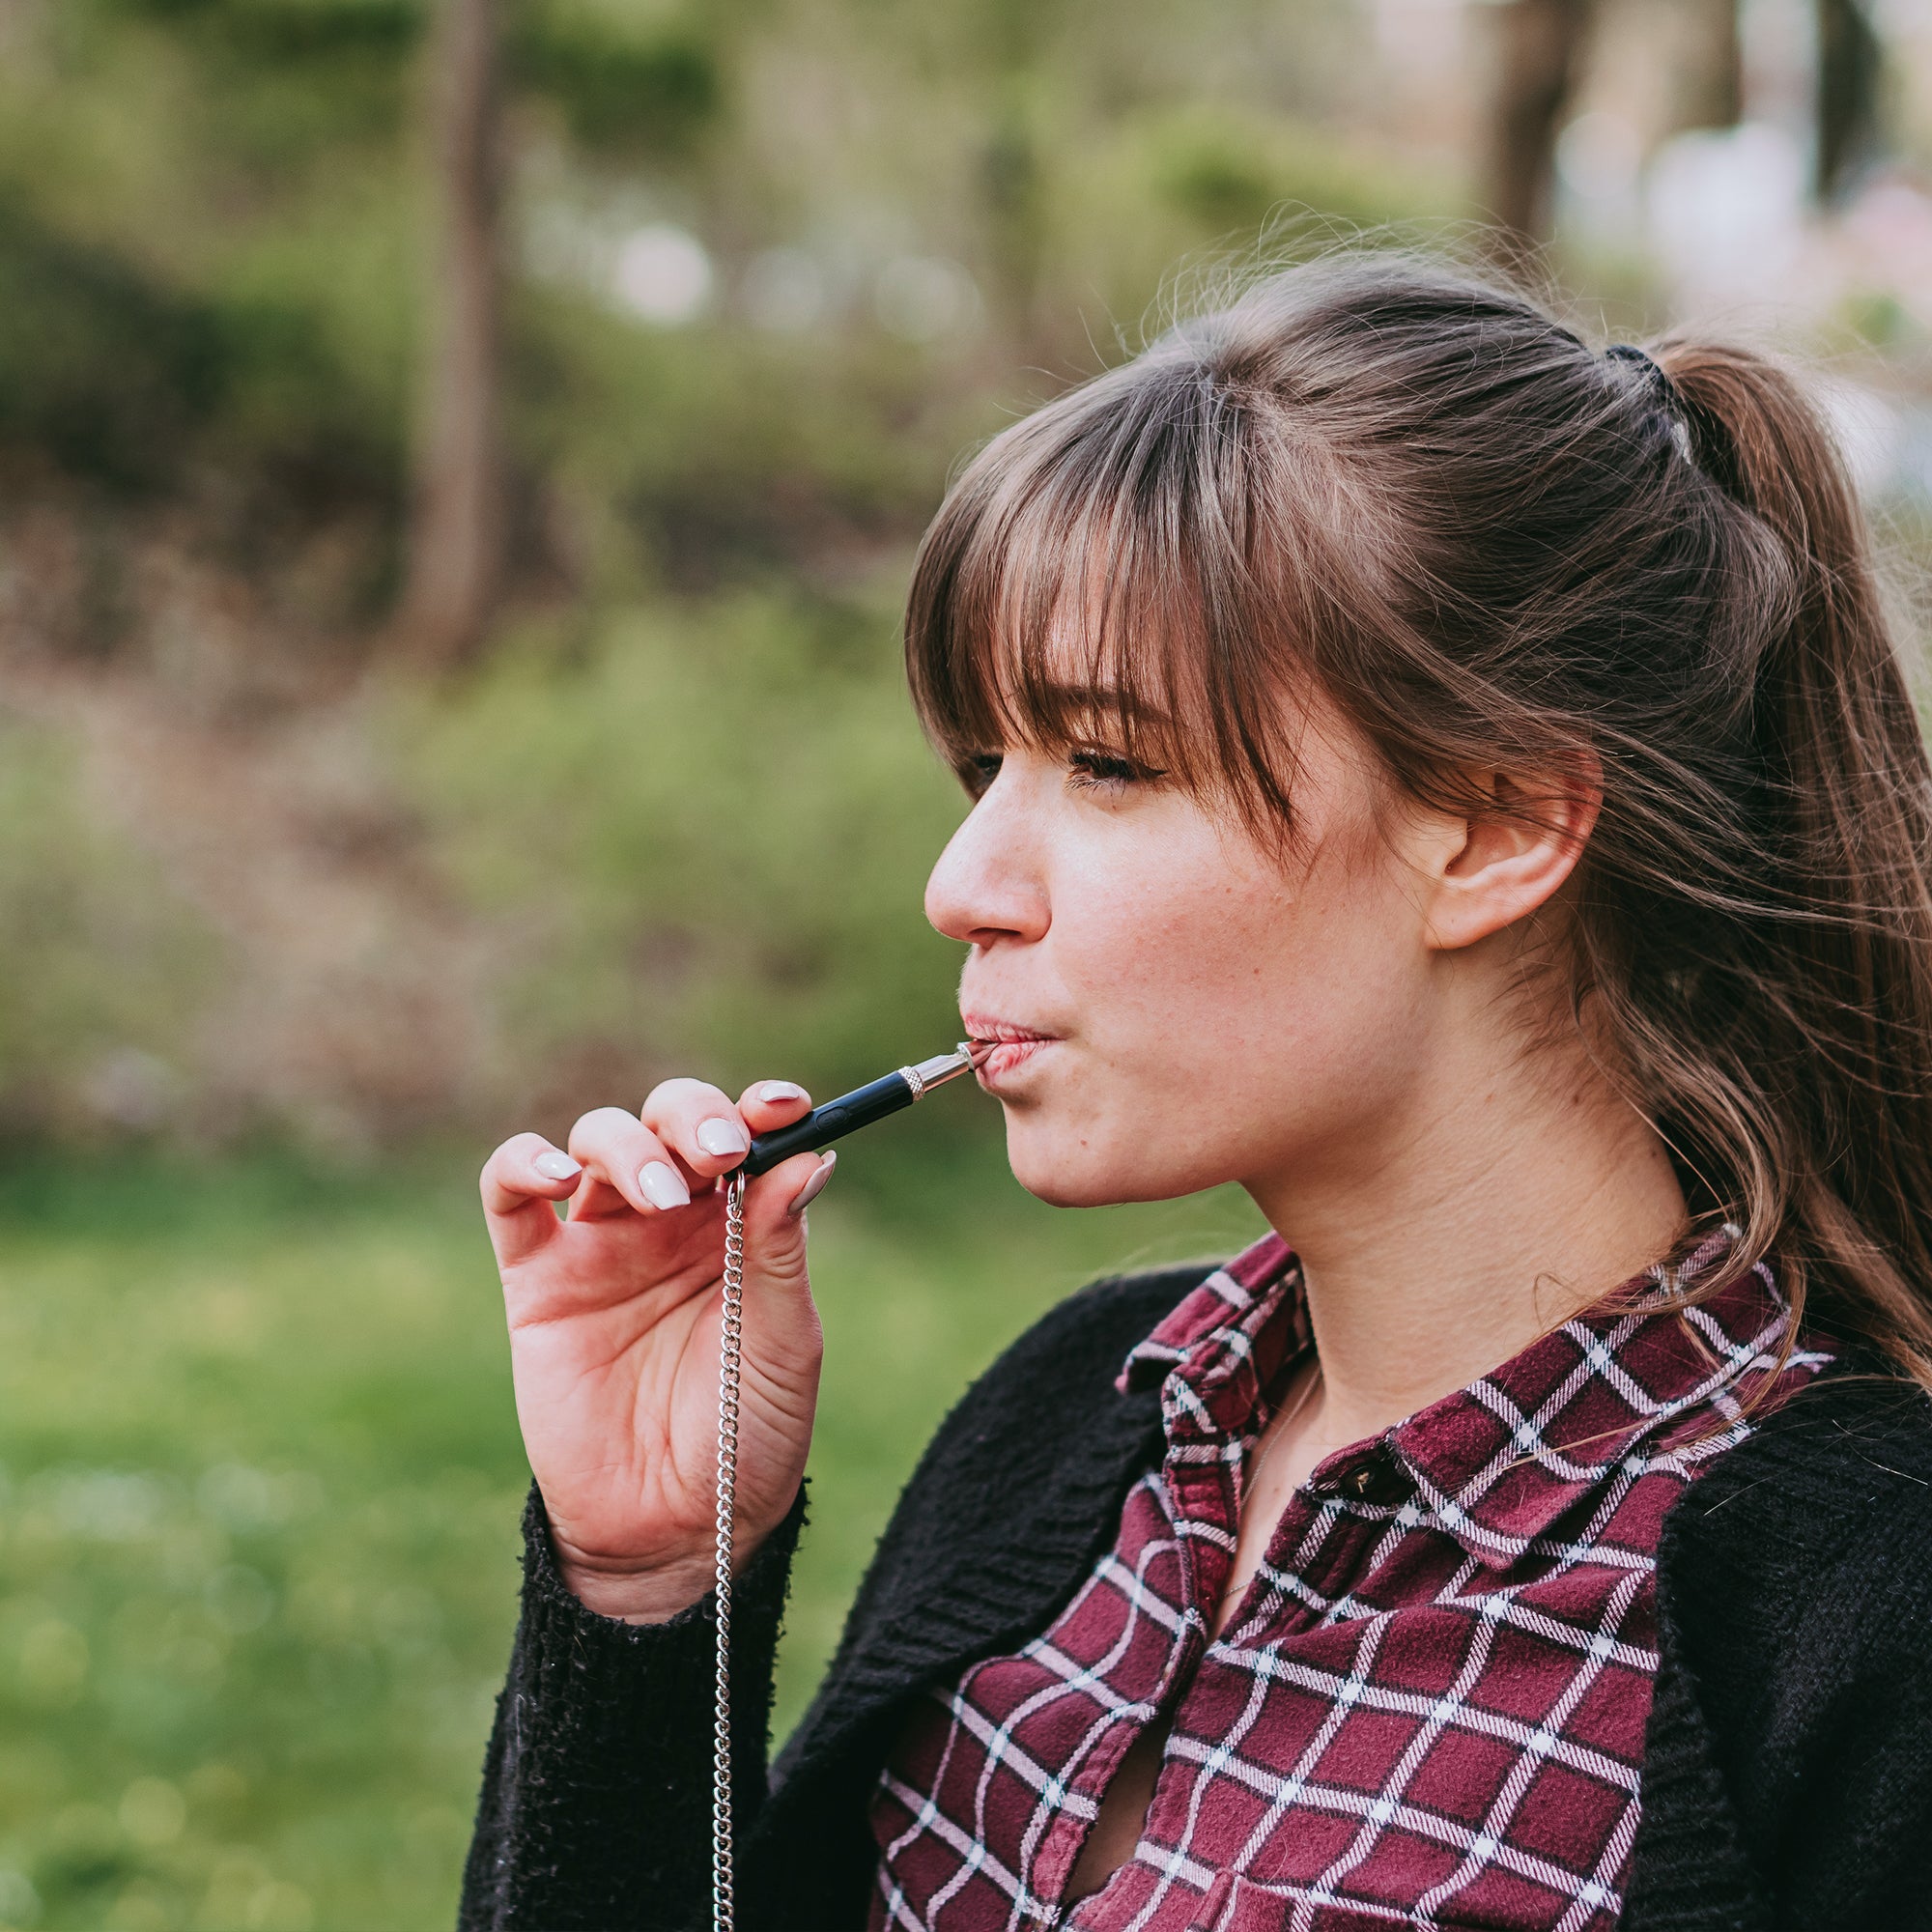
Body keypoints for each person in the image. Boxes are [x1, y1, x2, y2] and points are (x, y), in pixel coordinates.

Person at [458, 254, 1932, 1932]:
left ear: (1502, 827)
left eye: (1108, 762)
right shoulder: (1068, 1422)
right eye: (981, 765)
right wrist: (648, 1588)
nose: (963, 883)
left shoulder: (1869, 1608)